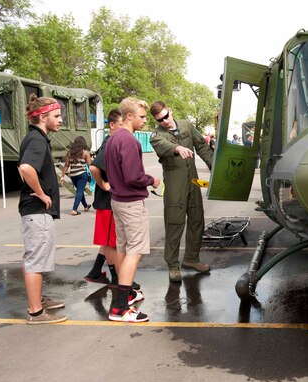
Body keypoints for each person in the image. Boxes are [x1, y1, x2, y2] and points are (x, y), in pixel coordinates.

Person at [105, 98, 160, 323]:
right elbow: (133, 177)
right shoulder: (128, 140)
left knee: (123, 248)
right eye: (142, 116)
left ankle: (125, 295)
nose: (145, 121)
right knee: (134, 251)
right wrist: (152, 179)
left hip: (117, 200)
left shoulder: (112, 138)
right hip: (130, 203)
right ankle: (119, 308)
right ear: (129, 116)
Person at [149, 101, 213, 282]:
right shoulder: (156, 135)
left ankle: (192, 259)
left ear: (170, 110)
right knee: (174, 223)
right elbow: (163, 145)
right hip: (174, 181)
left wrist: (213, 165)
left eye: (166, 116)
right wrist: (177, 148)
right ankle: (173, 265)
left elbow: (201, 146)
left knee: (196, 220)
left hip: (193, 180)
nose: (165, 121)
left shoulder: (186, 125)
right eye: (160, 120)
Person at [18, 94, 66, 324]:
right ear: (42, 116)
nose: (60, 120)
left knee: (36, 259)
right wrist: (40, 192)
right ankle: (36, 311)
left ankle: (39, 300)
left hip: (36, 213)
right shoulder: (36, 140)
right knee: (35, 261)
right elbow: (26, 168)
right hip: (37, 211)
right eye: (56, 116)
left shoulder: (36, 138)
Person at [84, 109, 141, 291]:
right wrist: (104, 185)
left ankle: (97, 272)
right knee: (111, 243)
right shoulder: (110, 142)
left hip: (108, 202)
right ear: (112, 125)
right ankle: (118, 278)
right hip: (107, 201)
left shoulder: (112, 142)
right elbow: (93, 168)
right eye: (120, 124)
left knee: (108, 240)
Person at [60, 136, 92, 216]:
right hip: (82, 175)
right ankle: (74, 209)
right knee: (80, 191)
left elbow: (66, 165)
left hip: (73, 175)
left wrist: (62, 176)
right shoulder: (85, 153)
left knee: (79, 190)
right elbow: (90, 165)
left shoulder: (69, 153)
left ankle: (85, 206)